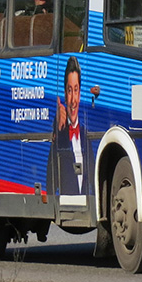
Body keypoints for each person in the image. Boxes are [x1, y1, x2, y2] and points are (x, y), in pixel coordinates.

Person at [53, 56, 89, 196]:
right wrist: (57, 130)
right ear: (64, 95)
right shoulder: (59, 132)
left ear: (80, 94)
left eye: (76, 90)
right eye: (69, 91)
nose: (73, 100)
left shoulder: (87, 135)